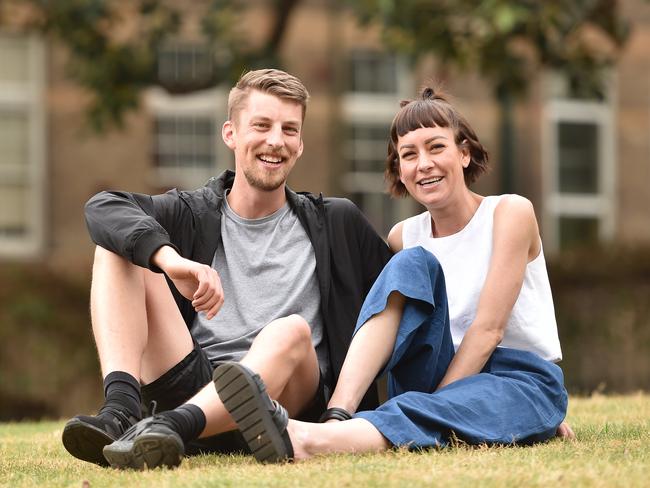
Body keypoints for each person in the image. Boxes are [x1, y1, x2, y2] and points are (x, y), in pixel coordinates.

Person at [213, 85, 573, 462]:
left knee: (444, 407)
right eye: (409, 155)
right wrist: (436, 405)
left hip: (512, 376)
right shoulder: (404, 236)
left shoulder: (509, 213)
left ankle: (307, 438)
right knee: (412, 263)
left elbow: (489, 330)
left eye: (436, 147)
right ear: (400, 169)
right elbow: (388, 321)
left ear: (464, 153)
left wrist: (467, 406)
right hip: (432, 372)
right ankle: (336, 416)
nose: (424, 164)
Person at [61, 68, 392, 469]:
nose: (276, 140)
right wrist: (171, 260)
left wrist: (418, 235)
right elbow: (104, 207)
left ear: (301, 144)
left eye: (289, 129)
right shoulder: (191, 213)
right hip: (193, 379)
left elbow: (399, 296)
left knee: (290, 330)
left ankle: (167, 427)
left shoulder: (336, 222)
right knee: (119, 247)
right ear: (230, 134)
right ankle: (120, 410)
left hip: (279, 407)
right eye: (262, 125)